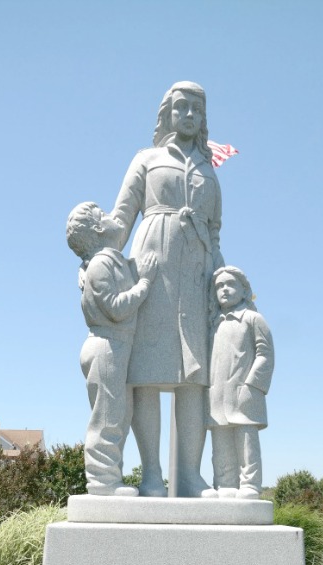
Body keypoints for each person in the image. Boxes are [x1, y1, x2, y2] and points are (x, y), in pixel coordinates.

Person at [111, 81, 224, 497]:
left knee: (194, 378)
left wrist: (222, 276)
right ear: (167, 113)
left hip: (196, 272)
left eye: (197, 108)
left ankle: (190, 476)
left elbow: (215, 233)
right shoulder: (147, 159)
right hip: (151, 267)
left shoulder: (209, 169)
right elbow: (121, 219)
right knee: (145, 373)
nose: (190, 115)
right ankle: (151, 474)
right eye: (182, 107)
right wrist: (96, 253)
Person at [66, 201, 157, 496]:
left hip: (116, 346)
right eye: (103, 214)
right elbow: (117, 308)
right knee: (107, 416)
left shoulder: (105, 261)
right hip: (107, 345)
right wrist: (144, 283)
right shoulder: (102, 263)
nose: (110, 216)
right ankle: (103, 481)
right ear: (98, 228)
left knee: (118, 413)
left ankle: (108, 477)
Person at [207, 266, 274, 499]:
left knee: (246, 443)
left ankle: (250, 484)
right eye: (219, 286)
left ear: (243, 289)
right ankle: (225, 483)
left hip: (245, 393)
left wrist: (252, 385)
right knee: (221, 442)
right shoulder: (214, 323)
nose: (224, 289)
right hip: (217, 393)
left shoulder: (253, 319)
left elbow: (265, 354)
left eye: (230, 284)